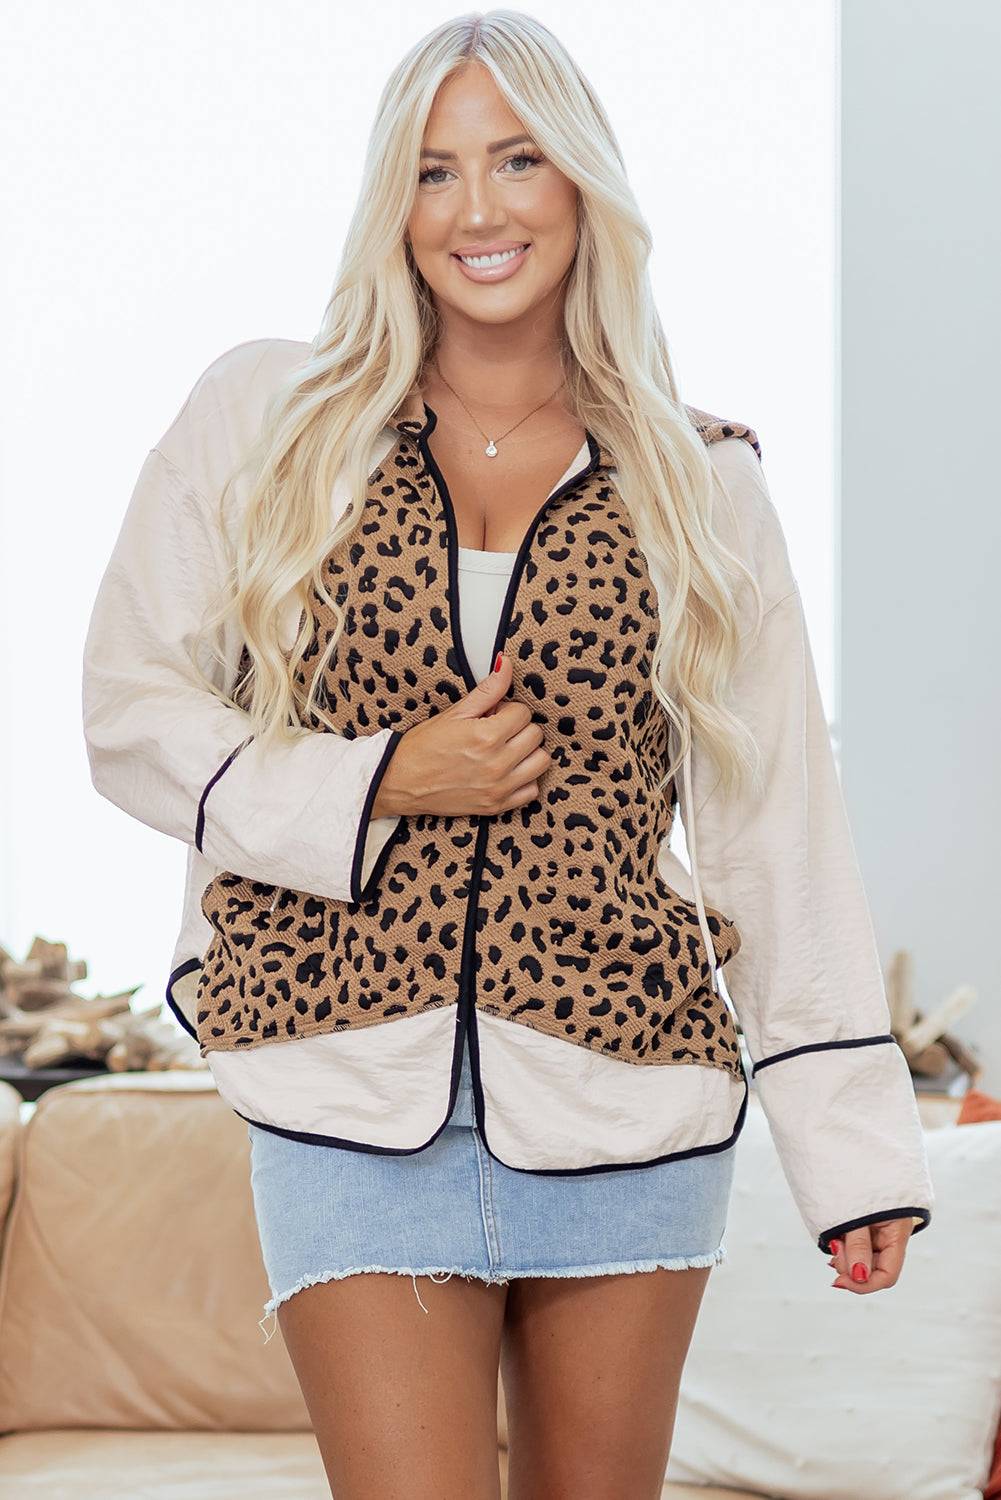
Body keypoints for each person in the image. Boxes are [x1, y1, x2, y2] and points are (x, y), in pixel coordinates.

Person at [81, 12, 934, 1498]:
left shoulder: (700, 479)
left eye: (517, 160)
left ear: (583, 184)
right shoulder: (267, 423)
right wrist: (378, 778)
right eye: (431, 171)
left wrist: (850, 1156)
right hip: (343, 1079)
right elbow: (131, 709)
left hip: (627, 1090)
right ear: (388, 207)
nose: (476, 210)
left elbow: (777, 821)